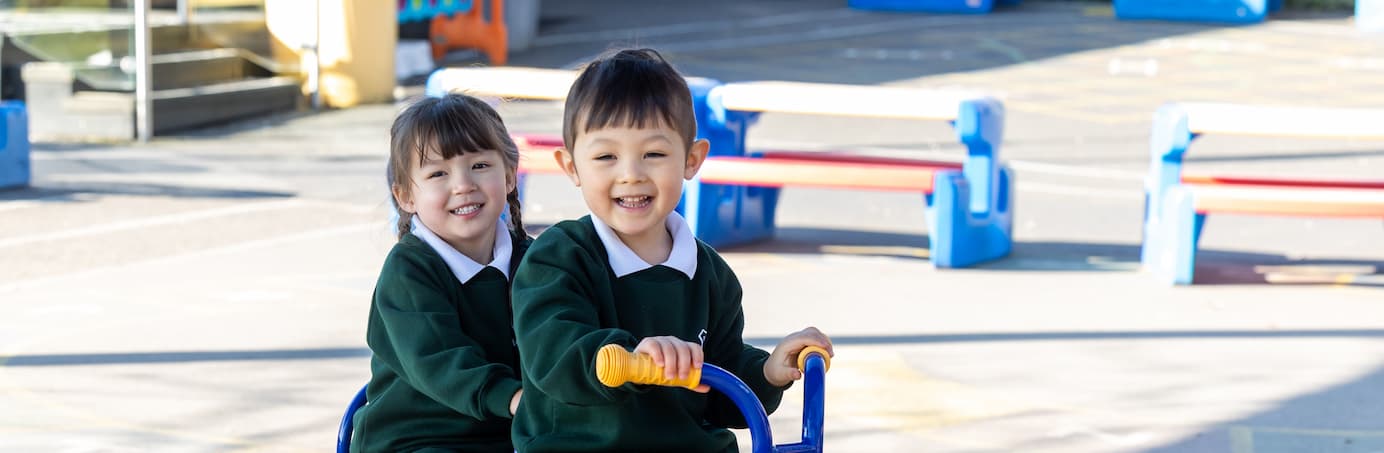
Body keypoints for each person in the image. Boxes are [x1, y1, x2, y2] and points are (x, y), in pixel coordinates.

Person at [510, 48, 834, 453]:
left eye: (655, 154)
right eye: (606, 156)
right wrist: (632, 356)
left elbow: (721, 385)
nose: (631, 174)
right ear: (572, 166)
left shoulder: (709, 273)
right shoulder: (558, 258)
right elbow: (553, 356)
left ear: (692, 159)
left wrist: (768, 371)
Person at [353, 93, 530, 452]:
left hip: (512, 432)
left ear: (510, 176)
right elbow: (440, 361)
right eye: (438, 173)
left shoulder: (536, 260)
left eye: (479, 165)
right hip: (419, 438)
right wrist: (512, 397)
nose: (463, 184)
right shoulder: (409, 272)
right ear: (405, 197)